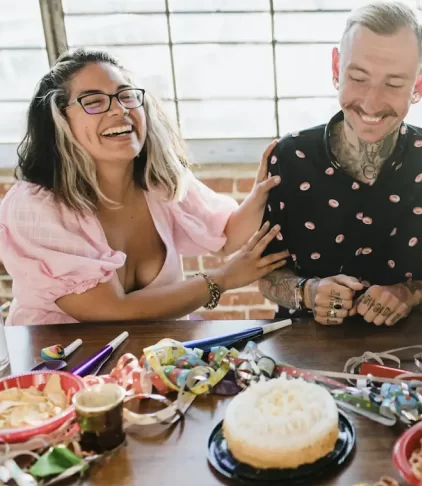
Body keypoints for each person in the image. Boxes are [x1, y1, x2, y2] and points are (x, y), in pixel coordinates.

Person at [0, 49, 288, 326]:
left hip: (151, 363)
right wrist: (222, 279)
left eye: (126, 96)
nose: (119, 110)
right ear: (59, 120)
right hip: (58, 369)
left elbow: (227, 236)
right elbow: (110, 310)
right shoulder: (36, 207)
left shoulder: (159, 183)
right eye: (94, 101)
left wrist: (262, 192)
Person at [257, 1, 422, 326]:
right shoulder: (290, 157)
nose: (371, 103)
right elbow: (265, 274)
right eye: (358, 78)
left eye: (393, 84)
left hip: (414, 356)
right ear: (337, 69)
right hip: (302, 351)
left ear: (419, 84)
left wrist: (410, 293)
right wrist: (306, 292)